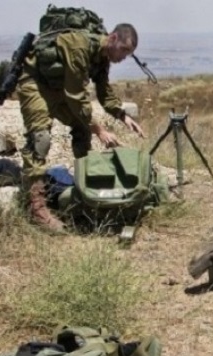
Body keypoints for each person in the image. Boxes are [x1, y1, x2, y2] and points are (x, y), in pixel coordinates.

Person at [16, 23, 145, 232]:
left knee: (83, 130)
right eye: (123, 50)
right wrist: (100, 130)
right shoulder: (79, 47)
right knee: (40, 138)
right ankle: (36, 208)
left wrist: (122, 115)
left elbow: (104, 92)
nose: (123, 57)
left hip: (59, 88)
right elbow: (76, 97)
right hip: (35, 83)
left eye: (128, 54)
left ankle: (84, 190)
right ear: (113, 38)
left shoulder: (102, 57)